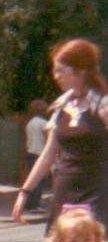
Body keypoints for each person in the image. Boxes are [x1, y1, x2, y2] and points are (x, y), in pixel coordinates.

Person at [12, 39, 107, 230]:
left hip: (98, 189)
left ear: (80, 71)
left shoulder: (102, 105)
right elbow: (48, 154)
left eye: (60, 70)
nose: (55, 76)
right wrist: (25, 191)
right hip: (65, 189)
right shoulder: (61, 106)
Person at [23, 99, 50, 211]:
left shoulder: (30, 123)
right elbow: (48, 138)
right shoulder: (43, 123)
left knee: (32, 178)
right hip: (39, 153)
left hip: (30, 152)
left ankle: (29, 203)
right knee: (39, 179)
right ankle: (35, 204)